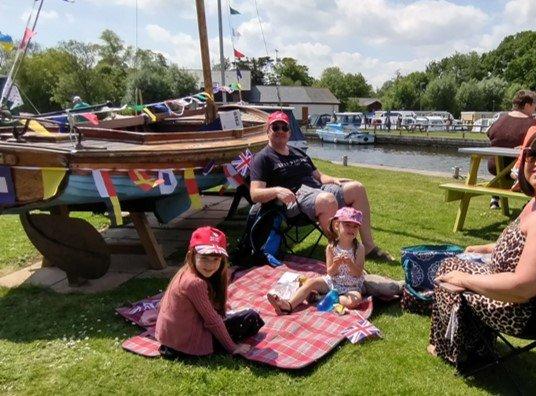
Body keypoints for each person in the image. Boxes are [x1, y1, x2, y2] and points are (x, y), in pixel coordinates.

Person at [428, 125, 536, 370]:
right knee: (460, 261)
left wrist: (464, 279)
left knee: (448, 269)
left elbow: (523, 287)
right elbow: (533, 249)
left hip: (524, 313)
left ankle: (456, 349)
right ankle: (472, 342)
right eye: (531, 154)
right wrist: (489, 248)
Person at [249, 110, 394, 262]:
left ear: (289, 132)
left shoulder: (297, 152)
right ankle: (341, 253)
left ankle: (369, 247)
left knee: (357, 188)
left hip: (317, 189)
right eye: (275, 127)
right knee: (327, 200)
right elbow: (255, 194)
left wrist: (334, 179)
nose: (280, 131)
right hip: (294, 201)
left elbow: (319, 177)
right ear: (268, 131)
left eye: (284, 128)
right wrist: (277, 190)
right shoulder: (262, 158)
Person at [155, 226, 254, 358]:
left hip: (170, 341)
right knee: (251, 317)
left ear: (222, 261)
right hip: (186, 346)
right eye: (204, 258)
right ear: (192, 255)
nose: (210, 265)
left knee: (232, 314)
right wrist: (233, 347)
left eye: (215, 259)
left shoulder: (185, 271)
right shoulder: (195, 283)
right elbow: (213, 320)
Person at [267, 207, 366, 314]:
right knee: (311, 282)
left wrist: (350, 263)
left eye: (355, 226)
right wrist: (336, 264)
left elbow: (358, 273)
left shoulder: (359, 248)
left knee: (355, 301)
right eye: (347, 225)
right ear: (337, 225)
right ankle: (288, 305)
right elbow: (330, 272)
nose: (351, 229)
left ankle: (321, 297)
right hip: (333, 282)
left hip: (351, 286)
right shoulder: (331, 247)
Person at [486, 89, 536, 209]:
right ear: (527, 105)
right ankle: (532, 202)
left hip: (495, 166)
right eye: (535, 104)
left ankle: (495, 198)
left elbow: (489, 134)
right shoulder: (533, 124)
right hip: (517, 170)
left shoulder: (501, 120)